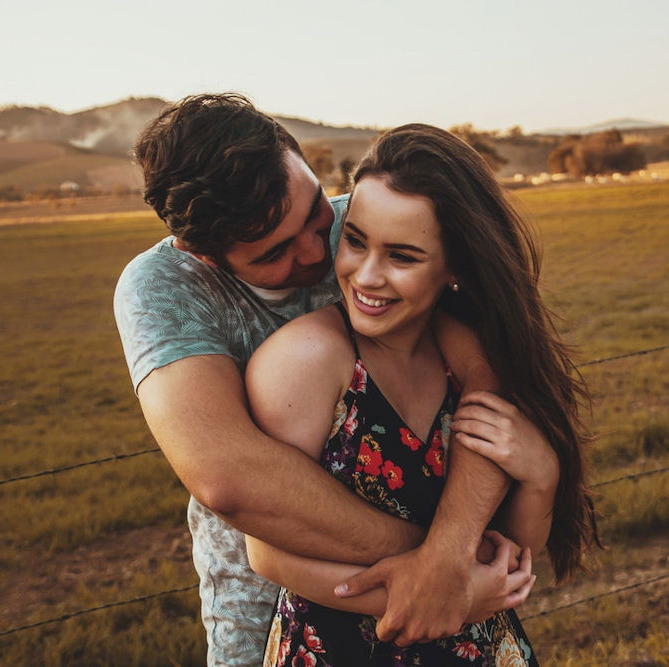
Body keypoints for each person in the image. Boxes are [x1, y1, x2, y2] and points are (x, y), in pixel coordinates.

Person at [114, 95, 542, 665]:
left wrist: (450, 556)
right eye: (276, 252)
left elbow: (486, 381)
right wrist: (440, 561)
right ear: (206, 255)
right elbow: (230, 480)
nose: (320, 250)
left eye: (316, 212)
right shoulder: (165, 286)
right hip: (269, 607)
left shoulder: (367, 226)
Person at [243, 124, 596, 665]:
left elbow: (513, 550)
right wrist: (444, 595)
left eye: (402, 257)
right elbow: (267, 551)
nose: (366, 276)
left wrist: (542, 474)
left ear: (454, 268)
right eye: (355, 241)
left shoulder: (475, 359)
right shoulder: (305, 361)